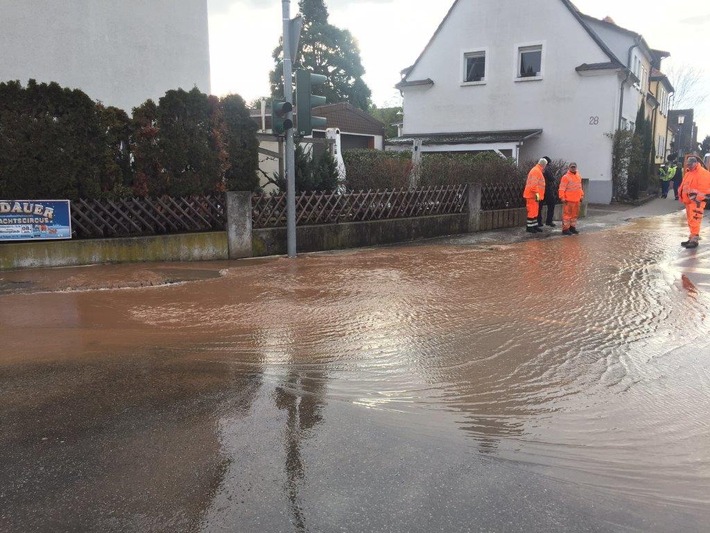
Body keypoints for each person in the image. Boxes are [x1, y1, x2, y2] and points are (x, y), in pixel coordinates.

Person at [677, 156, 710, 248]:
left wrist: (697, 198)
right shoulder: (689, 172)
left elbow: (705, 189)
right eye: (688, 164)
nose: (689, 166)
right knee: (691, 220)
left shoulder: (703, 173)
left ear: (696, 163)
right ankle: (692, 237)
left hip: (697, 202)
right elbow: (684, 185)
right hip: (689, 201)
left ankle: (694, 239)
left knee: (695, 219)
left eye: (690, 164)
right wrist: (681, 195)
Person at [558, 162, 584, 235]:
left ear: (576, 167)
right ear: (569, 168)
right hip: (568, 200)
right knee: (567, 216)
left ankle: (572, 228)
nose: (573, 168)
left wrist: (581, 196)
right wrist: (562, 197)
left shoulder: (578, 176)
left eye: (574, 167)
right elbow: (561, 188)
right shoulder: (565, 177)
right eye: (572, 167)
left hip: (577, 200)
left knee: (574, 215)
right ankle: (565, 229)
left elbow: (580, 187)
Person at [523, 158, 547, 233]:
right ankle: (530, 227)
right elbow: (534, 186)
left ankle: (534, 225)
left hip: (534, 195)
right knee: (532, 211)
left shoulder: (537, 170)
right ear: (544, 165)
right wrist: (537, 195)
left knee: (535, 211)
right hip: (532, 195)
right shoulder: (536, 171)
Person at [537, 156, 557, 227]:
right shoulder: (547, 169)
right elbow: (551, 178)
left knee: (539, 206)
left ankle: (539, 222)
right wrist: (555, 177)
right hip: (547, 189)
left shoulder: (537, 169)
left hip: (539, 190)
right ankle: (549, 221)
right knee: (551, 204)